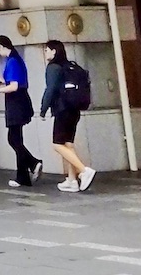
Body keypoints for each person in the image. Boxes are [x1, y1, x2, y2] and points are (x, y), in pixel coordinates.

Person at [40, 40, 96, 192]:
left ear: (53, 52)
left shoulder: (53, 67)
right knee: (68, 144)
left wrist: (43, 109)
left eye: (47, 50)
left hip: (62, 109)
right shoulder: (70, 65)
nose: (45, 53)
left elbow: (50, 89)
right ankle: (71, 180)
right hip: (74, 109)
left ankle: (84, 171)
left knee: (57, 144)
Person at [0, 36, 41, 188]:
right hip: (20, 101)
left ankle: (33, 163)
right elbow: (14, 81)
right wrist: (3, 82)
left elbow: (14, 86)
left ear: (2, 47)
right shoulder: (16, 59)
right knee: (17, 139)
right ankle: (22, 177)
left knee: (13, 139)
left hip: (16, 102)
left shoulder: (12, 61)